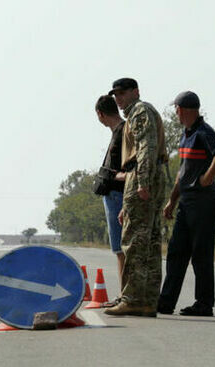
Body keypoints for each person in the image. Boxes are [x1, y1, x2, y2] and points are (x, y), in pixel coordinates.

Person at [157, 91, 215, 316]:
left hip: (203, 201)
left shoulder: (203, 132)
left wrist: (208, 178)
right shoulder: (186, 134)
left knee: (201, 254)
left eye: (176, 109)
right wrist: (172, 200)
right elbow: (183, 171)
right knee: (177, 252)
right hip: (186, 202)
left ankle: (204, 304)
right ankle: (166, 302)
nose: (175, 113)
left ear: (184, 109)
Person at [104, 78, 168, 317]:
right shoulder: (139, 113)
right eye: (116, 95)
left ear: (135, 92)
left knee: (133, 241)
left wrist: (141, 182)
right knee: (149, 242)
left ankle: (131, 299)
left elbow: (146, 148)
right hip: (148, 175)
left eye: (122, 93)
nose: (119, 99)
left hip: (140, 175)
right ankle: (148, 300)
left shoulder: (140, 111)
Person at [95, 95, 126, 306]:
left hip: (118, 195)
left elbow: (131, 168)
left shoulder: (123, 132)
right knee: (120, 249)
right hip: (115, 194)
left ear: (100, 114)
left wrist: (113, 176)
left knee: (120, 250)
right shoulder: (119, 131)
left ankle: (125, 296)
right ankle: (125, 295)